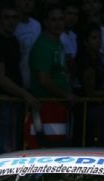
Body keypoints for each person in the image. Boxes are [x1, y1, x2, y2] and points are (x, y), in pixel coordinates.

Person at [0, 0, 40, 154]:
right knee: (6, 148)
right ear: (0, 20)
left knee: (15, 145)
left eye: (14, 17)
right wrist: (25, 94)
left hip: (15, 101)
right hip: (3, 103)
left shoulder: (14, 40)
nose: (11, 21)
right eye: (7, 17)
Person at [28, 4, 74, 147]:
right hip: (46, 107)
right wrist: (65, 95)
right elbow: (44, 79)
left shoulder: (58, 43)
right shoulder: (43, 46)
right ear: (46, 22)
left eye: (61, 19)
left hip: (58, 106)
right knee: (47, 149)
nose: (58, 23)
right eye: (53, 20)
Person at [14, 0, 41, 89]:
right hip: (16, 84)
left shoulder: (37, 25)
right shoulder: (11, 25)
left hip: (36, 83)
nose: (27, 3)